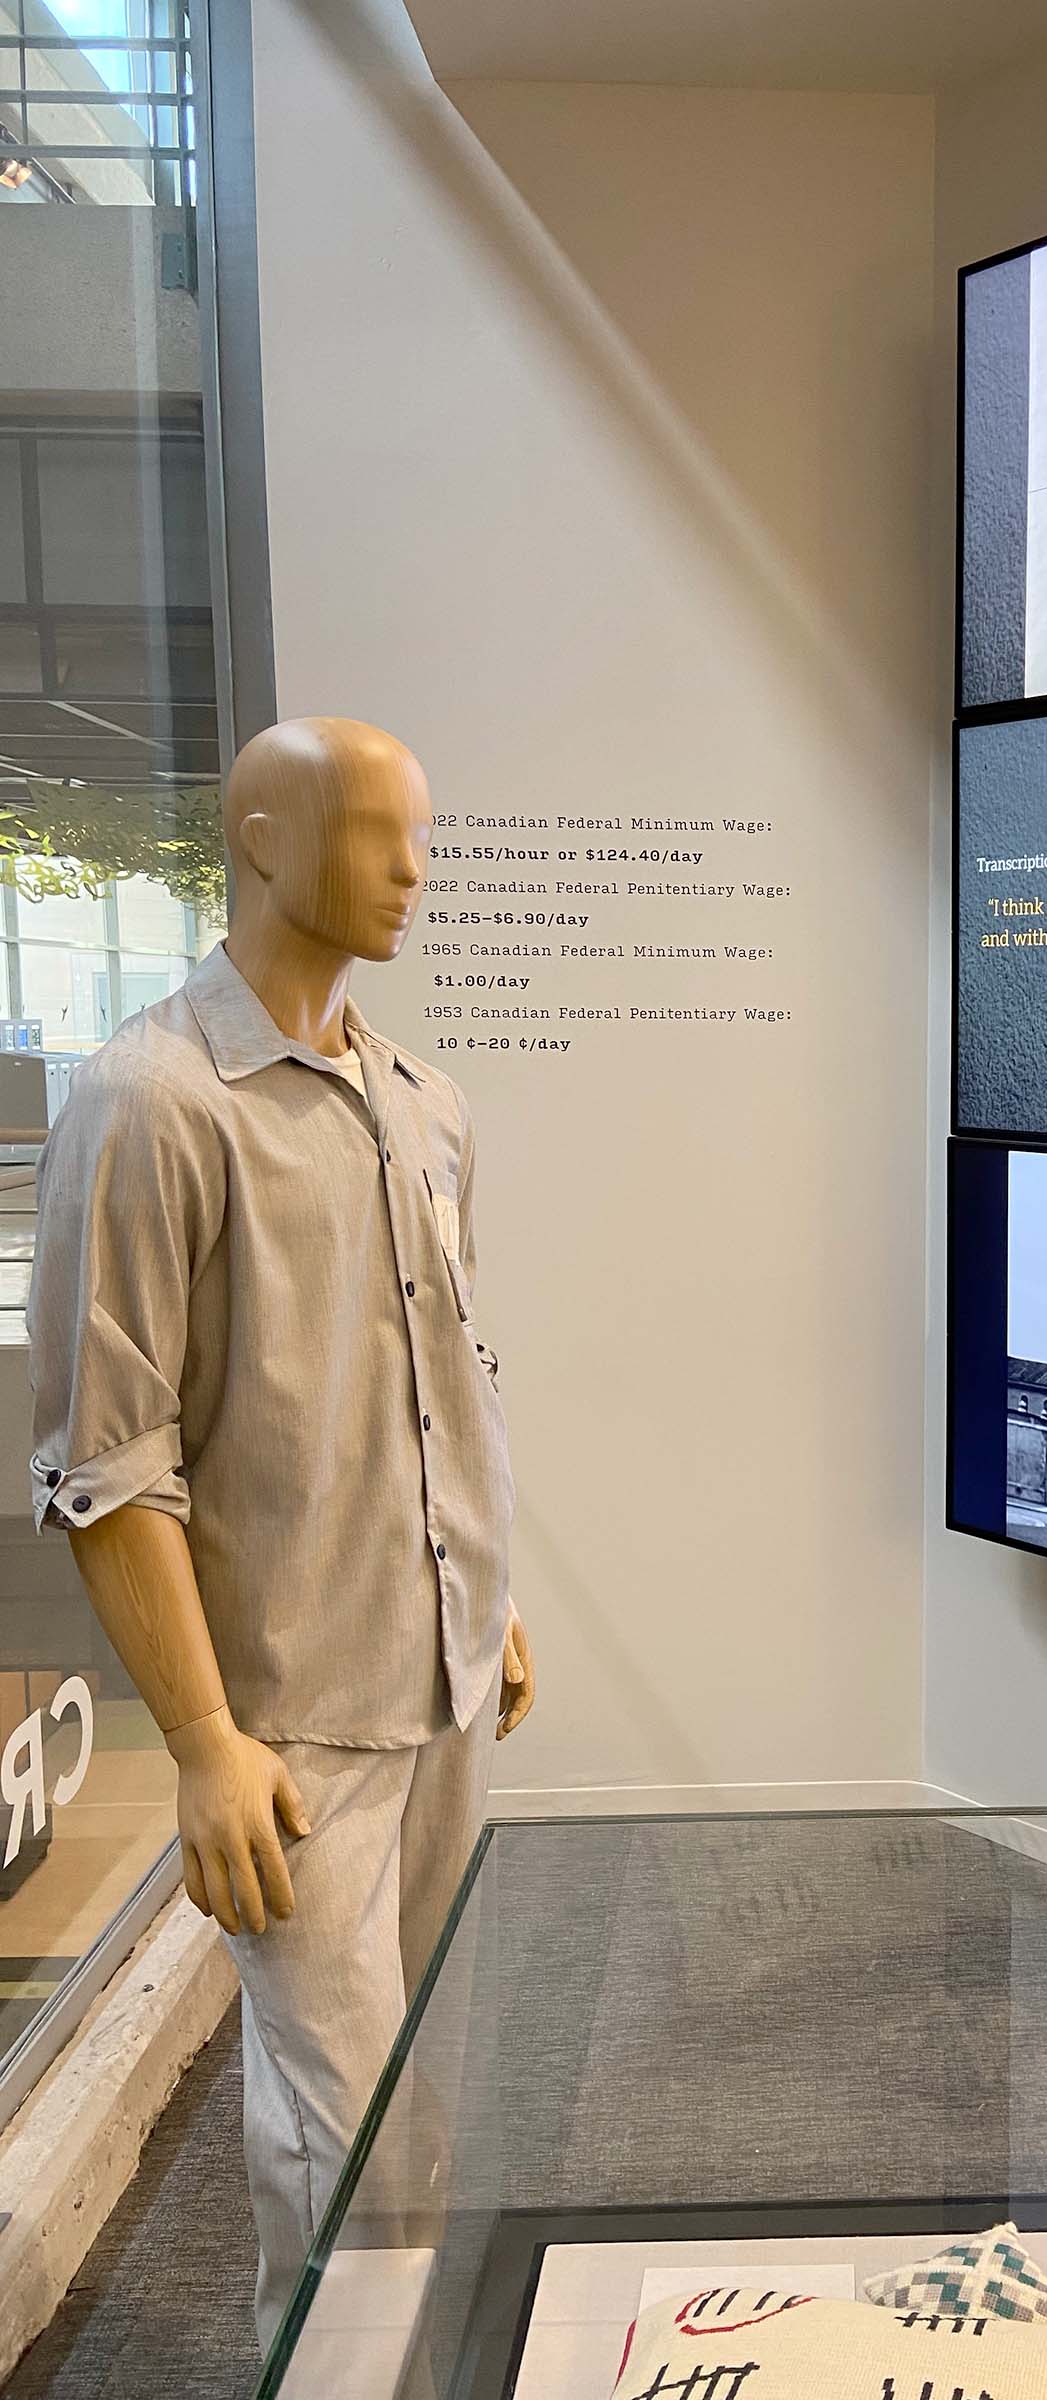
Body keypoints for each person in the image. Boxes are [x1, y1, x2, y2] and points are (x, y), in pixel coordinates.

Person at [27, 717, 533, 2352]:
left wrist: (487, 1598)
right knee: (352, 2161)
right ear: (260, 839)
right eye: (379, 831)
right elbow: (110, 1463)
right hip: (290, 1730)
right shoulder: (153, 1103)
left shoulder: (426, 1106)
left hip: (441, 1687)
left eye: (422, 833)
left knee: (419, 2125)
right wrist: (198, 1740)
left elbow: (447, 1372)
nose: (415, 870)